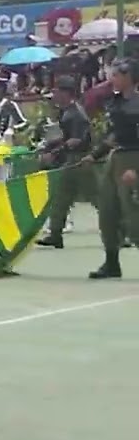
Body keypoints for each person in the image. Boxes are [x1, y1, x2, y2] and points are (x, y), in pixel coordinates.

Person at [88, 60, 139, 279]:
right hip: (116, 158)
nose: (112, 80)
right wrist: (94, 155)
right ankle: (111, 263)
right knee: (107, 212)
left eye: (116, 76)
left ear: (129, 77)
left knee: (133, 216)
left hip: (134, 158)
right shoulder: (115, 103)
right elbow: (113, 135)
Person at [37, 77, 94, 249]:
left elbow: (75, 140)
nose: (54, 95)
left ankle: (122, 233)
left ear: (66, 93)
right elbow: (67, 137)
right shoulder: (67, 111)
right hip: (72, 159)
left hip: (80, 159)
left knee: (99, 197)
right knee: (61, 197)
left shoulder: (76, 113)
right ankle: (55, 233)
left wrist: (54, 153)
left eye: (56, 91)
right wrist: (50, 144)